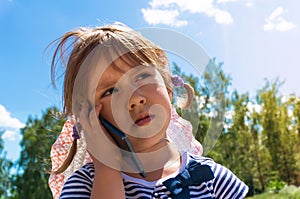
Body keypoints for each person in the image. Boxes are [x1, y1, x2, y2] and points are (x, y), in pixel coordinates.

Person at [48, 22, 248, 199]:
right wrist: (107, 170)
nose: (135, 98)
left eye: (141, 76)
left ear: (168, 89)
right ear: (89, 117)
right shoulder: (85, 185)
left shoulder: (212, 176)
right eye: (110, 90)